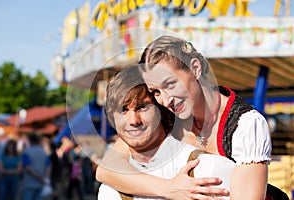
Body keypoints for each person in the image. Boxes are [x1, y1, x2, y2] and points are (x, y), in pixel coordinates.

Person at [96, 36, 272, 200]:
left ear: (195, 68)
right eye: (156, 91)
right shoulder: (167, 111)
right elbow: (107, 169)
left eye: (170, 84)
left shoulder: (245, 125)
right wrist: (168, 188)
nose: (166, 100)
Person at [98, 66, 235, 200]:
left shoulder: (207, 170)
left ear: (161, 109)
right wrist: (169, 188)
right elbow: (106, 168)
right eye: (123, 110)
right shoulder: (110, 191)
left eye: (142, 107)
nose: (133, 120)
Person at [21, 133, 51, 200]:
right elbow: (48, 166)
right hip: (41, 183)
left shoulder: (26, 152)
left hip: (29, 183)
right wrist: (45, 177)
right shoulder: (44, 152)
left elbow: (27, 167)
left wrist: (38, 176)